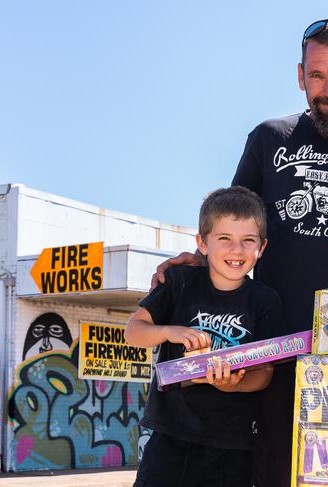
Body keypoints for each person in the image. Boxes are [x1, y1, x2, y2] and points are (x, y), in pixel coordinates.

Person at [151, 19, 328, 487]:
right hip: (273, 347)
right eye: (317, 76)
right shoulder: (269, 138)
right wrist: (195, 258)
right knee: (275, 470)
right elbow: (231, 222)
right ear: (299, 76)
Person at [126, 186, 282, 487]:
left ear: (261, 248)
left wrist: (234, 385)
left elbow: (265, 372)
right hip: (169, 436)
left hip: (232, 445)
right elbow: (134, 332)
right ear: (203, 243)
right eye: (224, 239)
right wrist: (169, 331)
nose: (236, 251)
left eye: (247, 241)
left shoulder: (266, 301)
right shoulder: (178, 282)